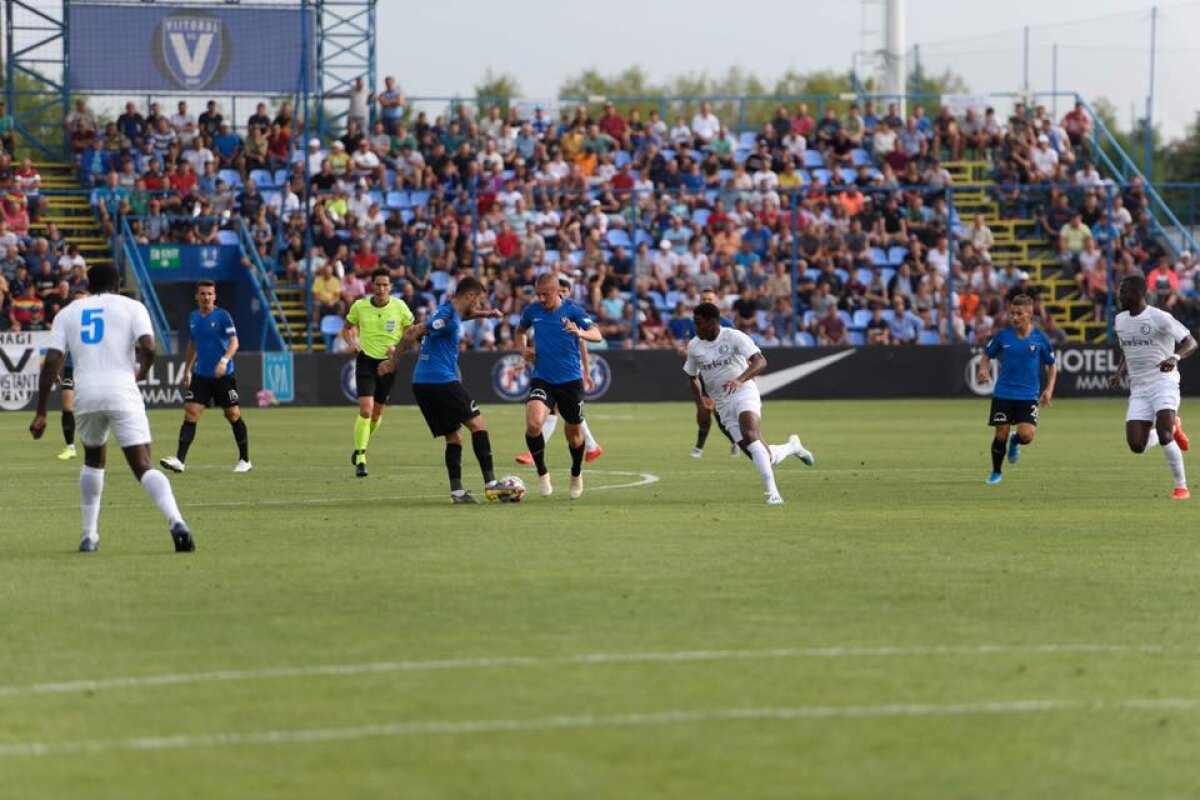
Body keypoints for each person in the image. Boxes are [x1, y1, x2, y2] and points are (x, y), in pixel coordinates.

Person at [28, 263, 193, 553]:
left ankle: (89, 535)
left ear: (89, 286)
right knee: (143, 465)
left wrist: (41, 411)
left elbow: (52, 361)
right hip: (122, 390)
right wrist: (141, 372)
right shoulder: (133, 307)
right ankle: (175, 520)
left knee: (93, 459)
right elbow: (150, 346)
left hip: (86, 393)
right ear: (117, 285)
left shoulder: (68, 313)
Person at [380, 276, 511, 503]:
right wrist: (393, 361)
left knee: (454, 437)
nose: (478, 305)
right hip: (440, 381)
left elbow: (462, 317)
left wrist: (486, 314)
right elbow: (413, 332)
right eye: (478, 301)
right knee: (478, 424)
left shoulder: (446, 310)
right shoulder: (447, 315)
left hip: (422, 383)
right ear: (469, 296)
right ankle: (491, 484)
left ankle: (457, 492)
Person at [683, 303, 814, 505]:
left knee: (750, 433)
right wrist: (700, 405)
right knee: (761, 455)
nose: (696, 328)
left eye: (699, 323)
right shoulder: (694, 346)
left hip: (744, 391)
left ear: (711, 322)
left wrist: (740, 380)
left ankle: (773, 493)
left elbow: (760, 361)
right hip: (722, 403)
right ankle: (792, 447)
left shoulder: (734, 336)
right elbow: (692, 376)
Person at [514, 273, 603, 499]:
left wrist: (579, 332)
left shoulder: (573, 310)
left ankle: (576, 473)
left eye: (546, 294)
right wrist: (523, 350)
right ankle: (542, 473)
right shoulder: (533, 311)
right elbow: (520, 331)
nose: (542, 299)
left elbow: (597, 334)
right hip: (542, 378)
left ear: (558, 292)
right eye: (538, 294)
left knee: (573, 435)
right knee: (534, 424)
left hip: (570, 381)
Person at [1107, 274, 1196, 500]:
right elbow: (1127, 349)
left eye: (1123, 291)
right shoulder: (1120, 320)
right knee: (1137, 445)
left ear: (1139, 293)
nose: (1119, 295)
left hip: (1163, 382)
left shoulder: (1159, 317)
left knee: (1165, 437)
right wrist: (1118, 373)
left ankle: (1181, 487)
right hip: (1139, 388)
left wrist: (1175, 357)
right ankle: (1174, 426)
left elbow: (1191, 342)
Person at [160, 281, 251, 474]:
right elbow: (193, 344)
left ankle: (245, 459)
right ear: (196, 296)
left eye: (210, 294)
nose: (206, 297)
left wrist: (224, 360)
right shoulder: (193, 317)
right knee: (191, 412)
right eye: (202, 294)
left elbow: (234, 342)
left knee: (232, 415)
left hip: (223, 375)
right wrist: (187, 369)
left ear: (215, 296)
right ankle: (180, 460)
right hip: (201, 375)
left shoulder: (223, 316)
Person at [975, 294, 1057, 485]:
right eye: (1012, 313)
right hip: (1003, 393)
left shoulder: (1040, 339)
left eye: (1019, 313)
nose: (1014, 317)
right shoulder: (1003, 336)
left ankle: (1016, 441)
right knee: (1000, 434)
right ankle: (996, 472)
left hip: (1028, 396)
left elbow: (1051, 365)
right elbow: (986, 356)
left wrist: (1049, 389)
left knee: (1026, 436)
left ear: (1029, 314)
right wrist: (983, 370)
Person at [341, 267, 414, 477]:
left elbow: (411, 333)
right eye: (378, 284)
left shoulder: (400, 307)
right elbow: (346, 327)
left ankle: (359, 446)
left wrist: (398, 348)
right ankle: (361, 458)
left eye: (385, 285)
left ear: (390, 287)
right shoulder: (360, 306)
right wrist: (351, 343)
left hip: (389, 365)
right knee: (366, 410)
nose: (381, 288)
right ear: (372, 285)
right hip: (366, 362)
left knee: (377, 414)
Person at [689, 289, 739, 458]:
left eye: (710, 299)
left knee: (719, 415)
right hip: (703, 375)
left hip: (721, 375)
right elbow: (692, 349)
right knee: (704, 414)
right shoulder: (695, 323)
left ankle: (735, 441)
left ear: (716, 301)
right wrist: (683, 351)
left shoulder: (727, 324)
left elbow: (735, 350)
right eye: (703, 299)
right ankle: (699, 448)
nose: (706, 301)